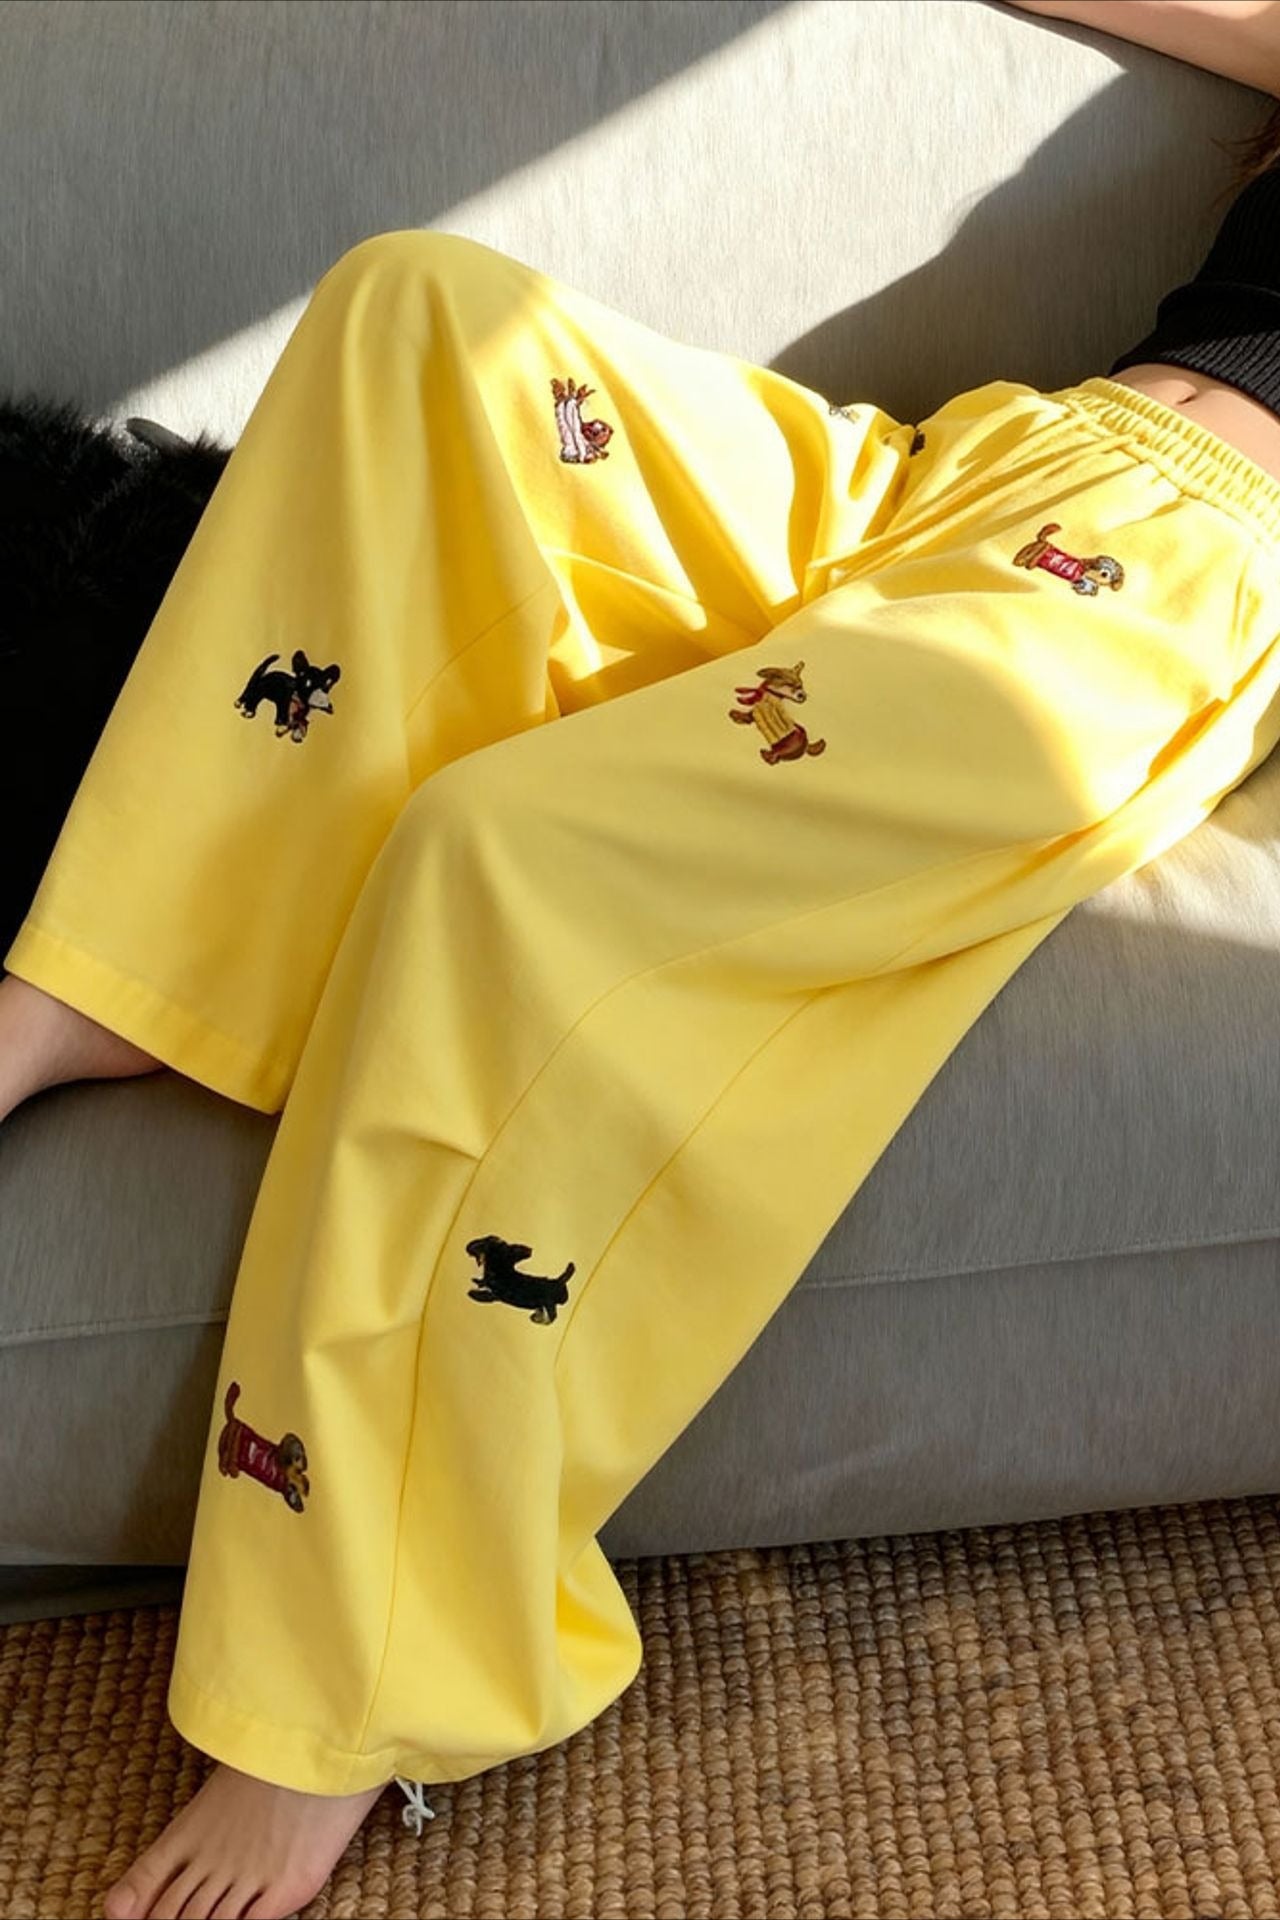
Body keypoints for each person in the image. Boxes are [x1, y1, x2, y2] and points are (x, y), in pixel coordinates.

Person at [2, 1, 1279, 1915]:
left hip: (1173, 600)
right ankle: (115, 978)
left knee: (503, 857)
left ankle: (338, 1695)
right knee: (423, 314)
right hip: (971, 468)